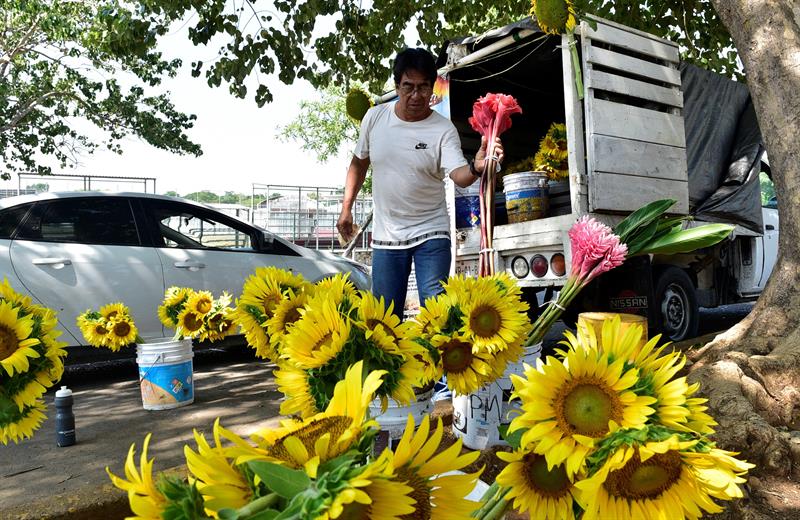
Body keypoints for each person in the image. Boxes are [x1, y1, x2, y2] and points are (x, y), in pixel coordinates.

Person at [337, 47, 504, 319]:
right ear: (396, 85)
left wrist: (477, 165)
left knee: (437, 317)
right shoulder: (375, 118)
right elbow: (359, 163)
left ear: (433, 87)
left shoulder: (442, 129)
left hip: (431, 232)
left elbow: (459, 175)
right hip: (387, 236)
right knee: (382, 319)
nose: (416, 96)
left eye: (423, 88)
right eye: (408, 87)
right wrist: (346, 208)